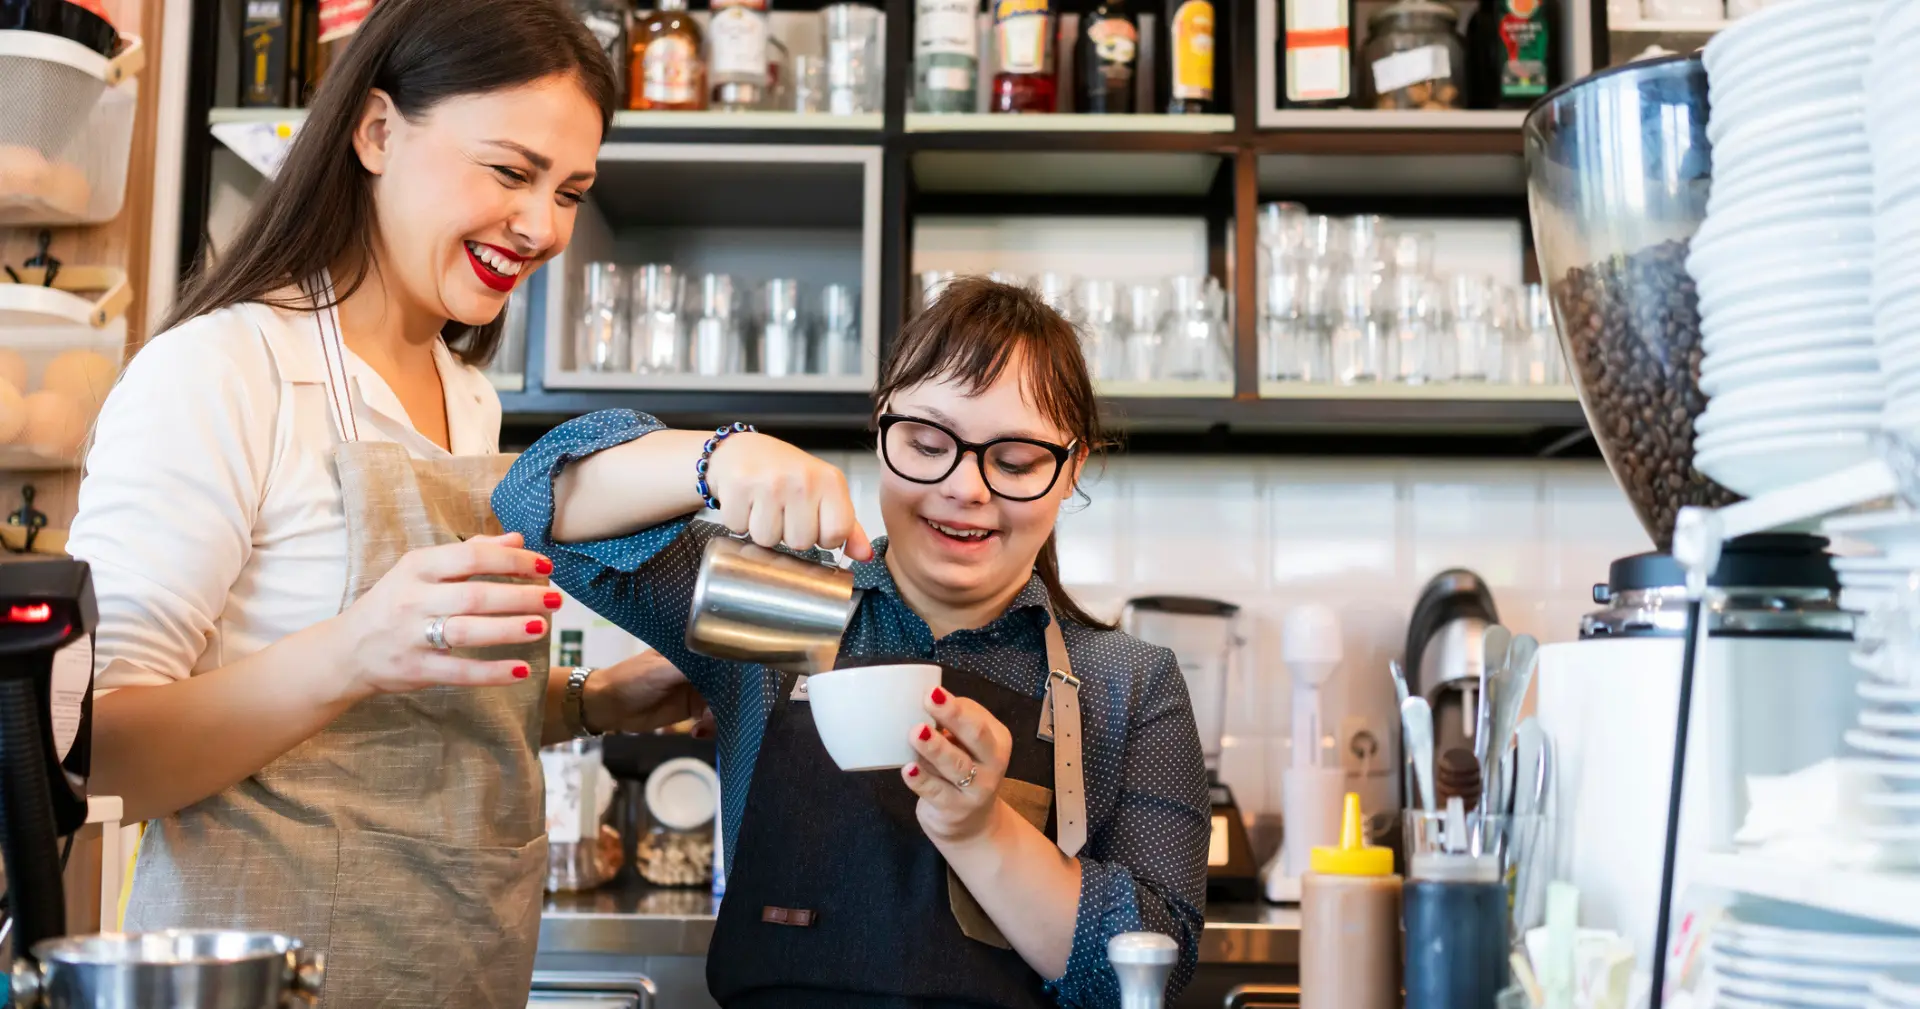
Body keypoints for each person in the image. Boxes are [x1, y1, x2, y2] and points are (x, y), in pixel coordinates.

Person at [66, 2, 701, 1005]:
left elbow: (387, 732)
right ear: (375, 132)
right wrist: (356, 645)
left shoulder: (465, 394)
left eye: (571, 189)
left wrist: (585, 702)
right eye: (510, 171)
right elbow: (91, 755)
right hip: (259, 971)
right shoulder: (222, 370)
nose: (542, 227)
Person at [494, 277, 1211, 1008]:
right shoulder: (775, 606)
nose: (965, 486)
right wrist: (717, 460)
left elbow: (1152, 959)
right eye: (929, 443)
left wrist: (982, 830)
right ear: (881, 430)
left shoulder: (1128, 681)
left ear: (1072, 469)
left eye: (1017, 461)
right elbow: (525, 503)